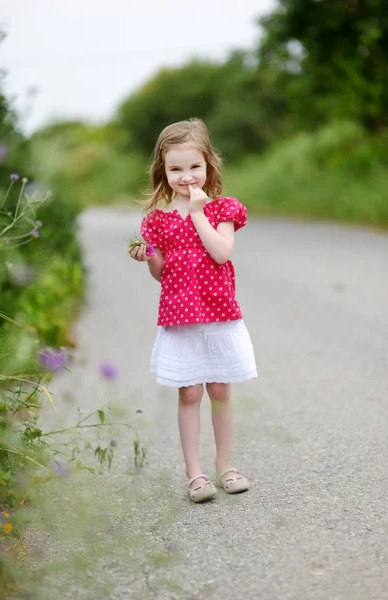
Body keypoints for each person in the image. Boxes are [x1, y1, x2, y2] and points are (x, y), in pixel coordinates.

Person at [129, 118, 257, 503]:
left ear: (208, 166)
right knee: (189, 394)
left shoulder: (221, 209)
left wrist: (199, 213)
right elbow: (162, 274)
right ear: (163, 171)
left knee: (220, 389)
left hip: (219, 315)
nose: (186, 177)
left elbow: (221, 252)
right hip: (180, 319)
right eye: (176, 169)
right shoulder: (158, 221)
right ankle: (195, 474)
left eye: (194, 167)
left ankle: (225, 466)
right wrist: (148, 256)